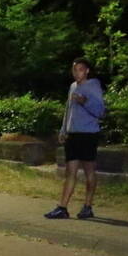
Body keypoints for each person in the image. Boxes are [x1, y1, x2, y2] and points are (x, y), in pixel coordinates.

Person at [45, 58, 105, 219]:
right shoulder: (72, 86)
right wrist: (63, 130)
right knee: (70, 171)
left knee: (89, 171)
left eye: (80, 69)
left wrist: (85, 102)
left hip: (88, 135)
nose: (77, 73)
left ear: (87, 71)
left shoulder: (93, 86)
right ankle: (62, 207)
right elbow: (68, 110)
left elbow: (100, 112)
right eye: (74, 70)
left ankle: (87, 206)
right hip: (73, 134)